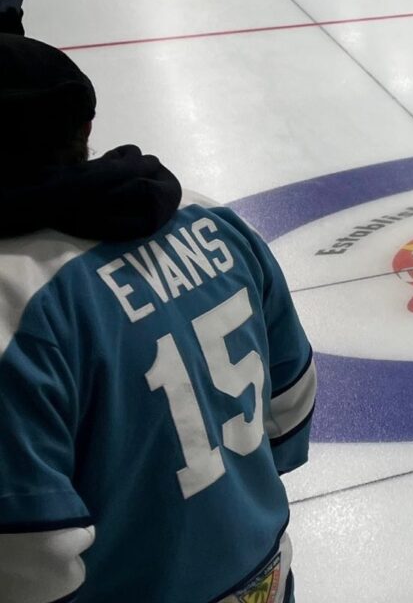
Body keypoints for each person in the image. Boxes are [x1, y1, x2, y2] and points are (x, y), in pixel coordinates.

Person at [0, 34, 317, 603]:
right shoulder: (213, 218)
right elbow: (290, 406)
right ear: (85, 127)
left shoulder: (14, 303)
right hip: (262, 576)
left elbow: (27, 555)